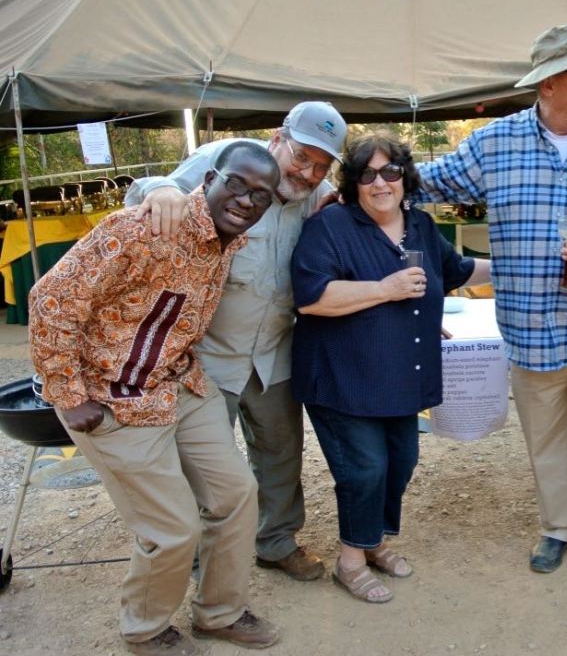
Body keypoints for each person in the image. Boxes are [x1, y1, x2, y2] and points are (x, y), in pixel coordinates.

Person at [415, 24, 567, 583]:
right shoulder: (493, 143)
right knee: (545, 441)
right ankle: (558, 528)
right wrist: (350, 182)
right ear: (549, 84)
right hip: (531, 329)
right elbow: (420, 183)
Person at [29, 141, 283, 655]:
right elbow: (50, 303)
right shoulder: (142, 228)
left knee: (236, 494)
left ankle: (219, 612)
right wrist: (69, 393)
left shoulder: (227, 244)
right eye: (237, 183)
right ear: (209, 179)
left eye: (261, 195)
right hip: (111, 397)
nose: (246, 200)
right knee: (172, 528)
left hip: (179, 387)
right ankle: (145, 630)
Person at [123, 101, 347, 582]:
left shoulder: (319, 192)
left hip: (274, 351)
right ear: (277, 139)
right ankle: (198, 556)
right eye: (302, 156)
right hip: (207, 354)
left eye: (321, 165)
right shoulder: (230, 158)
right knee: (202, 464)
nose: (308, 172)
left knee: (280, 453)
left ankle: (276, 541)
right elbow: (149, 192)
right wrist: (162, 188)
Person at [291, 131, 491, 603]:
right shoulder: (331, 227)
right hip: (342, 376)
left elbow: (457, 271)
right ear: (353, 183)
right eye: (368, 174)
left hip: (399, 373)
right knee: (365, 468)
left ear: (405, 177)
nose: (381, 183)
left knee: (401, 462)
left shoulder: (419, 225)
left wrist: (513, 265)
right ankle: (350, 560)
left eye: (390, 172)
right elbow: (312, 297)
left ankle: (373, 540)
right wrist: (385, 288)